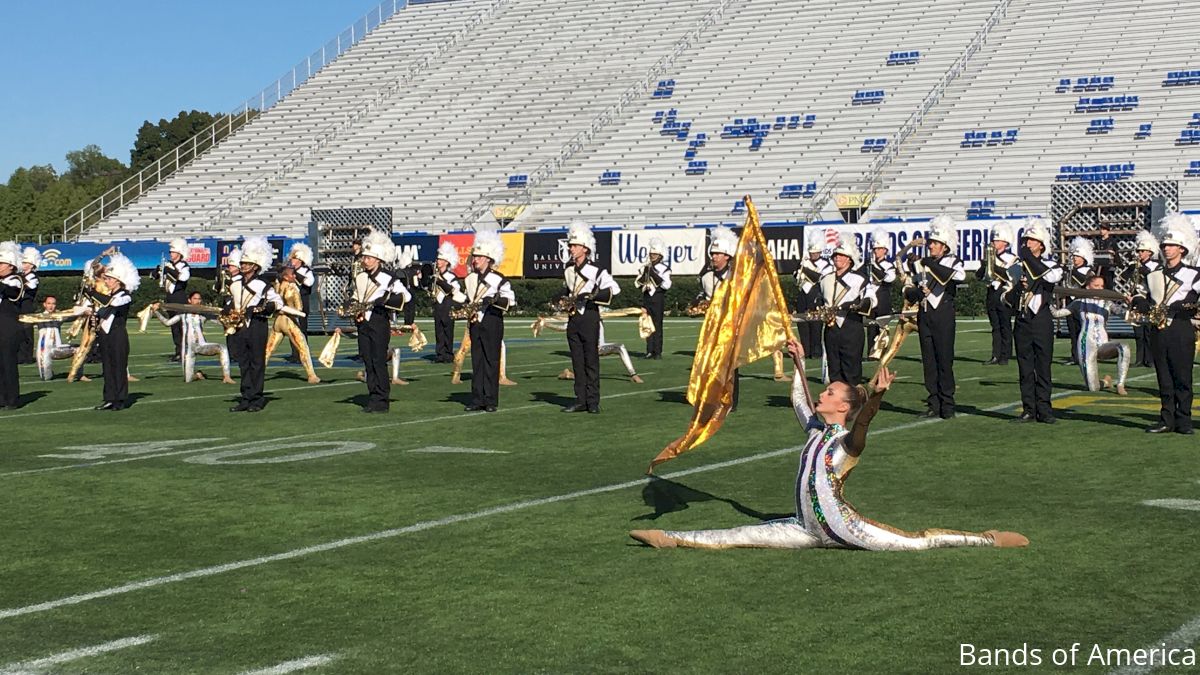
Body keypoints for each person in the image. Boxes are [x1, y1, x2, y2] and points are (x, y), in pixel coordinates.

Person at [628, 338, 1028, 551]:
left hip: (845, 528)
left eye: (831, 391)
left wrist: (876, 397)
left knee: (916, 542)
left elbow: (865, 422)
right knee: (739, 534)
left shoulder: (846, 443)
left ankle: (984, 538)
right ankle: (671, 538)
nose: (823, 393)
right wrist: (799, 358)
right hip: (803, 529)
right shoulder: (815, 432)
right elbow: (799, 399)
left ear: (843, 406)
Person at [1144, 215, 1200, 435]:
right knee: (1164, 377)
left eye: (1172, 246)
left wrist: (1180, 305)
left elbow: (1194, 300)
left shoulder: (1194, 274)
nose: (1167, 249)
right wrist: (1140, 301)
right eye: (1165, 246)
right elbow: (1145, 296)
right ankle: (1166, 419)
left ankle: (1184, 420)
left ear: (1182, 249)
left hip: (1180, 327)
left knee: (1182, 376)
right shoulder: (1154, 274)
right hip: (1159, 328)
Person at [560, 221, 620, 414]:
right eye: (570, 245)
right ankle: (580, 400)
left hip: (590, 318)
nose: (571, 248)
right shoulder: (569, 270)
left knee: (591, 361)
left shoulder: (596, 271)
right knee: (577, 361)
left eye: (575, 246)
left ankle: (593, 401)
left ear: (585, 248)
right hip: (573, 319)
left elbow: (614, 289)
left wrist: (593, 296)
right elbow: (568, 290)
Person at [910, 216, 965, 419]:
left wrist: (929, 265)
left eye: (934, 243)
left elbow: (958, 277)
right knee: (929, 361)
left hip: (943, 313)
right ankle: (933, 402)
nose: (930, 246)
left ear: (944, 245)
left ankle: (948, 404)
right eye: (931, 242)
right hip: (925, 314)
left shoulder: (953, 261)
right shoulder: (925, 263)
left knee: (944, 359)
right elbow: (915, 286)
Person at [1010, 218, 1063, 424]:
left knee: (1043, 366)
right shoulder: (1018, 265)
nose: (1027, 243)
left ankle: (1045, 409)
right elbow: (1008, 296)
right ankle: (1028, 408)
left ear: (1041, 243)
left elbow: (1050, 278)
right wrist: (1017, 287)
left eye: (1031, 240)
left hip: (1041, 318)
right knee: (1024, 367)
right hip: (1023, 319)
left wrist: (1028, 261)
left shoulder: (1051, 264)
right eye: (1025, 240)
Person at [350, 232, 409, 413]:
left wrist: (385, 301)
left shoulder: (388, 278)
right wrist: (352, 307)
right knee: (368, 361)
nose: (365, 260)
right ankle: (372, 397)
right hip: (363, 322)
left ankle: (382, 400)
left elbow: (406, 296)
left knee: (378, 360)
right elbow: (356, 296)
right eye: (364, 257)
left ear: (378, 259)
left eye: (368, 258)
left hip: (378, 320)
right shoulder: (360, 277)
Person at [226, 237, 284, 413]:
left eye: (247, 263)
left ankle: (257, 398)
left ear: (255, 266)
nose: (243, 266)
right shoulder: (236, 283)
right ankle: (246, 396)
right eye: (242, 263)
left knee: (257, 362)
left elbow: (277, 303)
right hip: (240, 326)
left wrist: (261, 308)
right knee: (243, 362)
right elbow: (232, 302)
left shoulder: (262, 284)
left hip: (257, 325)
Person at [460, 229, 515, 412]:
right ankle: (477, 399)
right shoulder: (470, 278)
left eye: (479, 257)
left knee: (491, 361)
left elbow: (511, 301)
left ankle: (491, 400)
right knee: (477, 361)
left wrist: (494, 300)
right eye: (474, 256)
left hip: (492, 321)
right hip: (475, 323)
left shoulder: (498, 279)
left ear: (488, 259)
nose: (475, 259)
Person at [76, 252, 139, 411]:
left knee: (119, 367)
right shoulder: (107, 296)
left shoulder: (125, 296)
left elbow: (112, 303)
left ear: (118, 281)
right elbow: (100, 309)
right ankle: (109, 398)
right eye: (107, 278)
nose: (107, 281)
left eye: (109, 279)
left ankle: (120, 399)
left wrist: (92, 293)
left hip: (118, 335)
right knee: (107, 368)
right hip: (104, 335)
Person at [1052, 273, 1129, 395]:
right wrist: (1047, 302)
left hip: (1103, 343)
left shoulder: (1107, 303)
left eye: (1101, 286)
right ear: (1088, 287)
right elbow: (1057, 314)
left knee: (1124, 347)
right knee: (1093, 388)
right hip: (1086, 344)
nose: (1099, 289)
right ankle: (1106, 381)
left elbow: (1124, 314)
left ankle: (1120, 384)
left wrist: (1131, 303)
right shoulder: (1079, 302)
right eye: (1096, 286)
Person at [818, 233, 873, 385]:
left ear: (849, 259)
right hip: (831, 328)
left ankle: (854, 405)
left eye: (841, 256)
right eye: (835, 255)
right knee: (834, 370)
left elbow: (870, 299)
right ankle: (837, 404)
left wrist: (856, 305)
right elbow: (820, 298)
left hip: (851, 326)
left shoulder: (859, 279)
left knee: (852, 370)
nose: (837, 258)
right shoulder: (825, 278)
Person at [698, 226, 741, 409]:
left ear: (727, 256)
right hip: (712, 326)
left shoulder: (736, 277)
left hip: (731, 326)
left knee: (730, 367)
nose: (714, 257)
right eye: (713, 253)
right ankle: (714, 398)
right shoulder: (707, 277)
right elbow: (703, 295)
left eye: (718, 254)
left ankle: (730, 400)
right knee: (712, 364)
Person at [152, 291, 234, 384]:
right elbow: (167, 323)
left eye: (199, 299)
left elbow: (220, 322)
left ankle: (226, 376)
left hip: (201, 345)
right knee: (188, 379)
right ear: (189, 300)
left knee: (222, 348)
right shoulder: (182, 314)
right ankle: (198, 375)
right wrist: (156, 312)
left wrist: (229, 319)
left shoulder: (203, 314)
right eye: (195, 299)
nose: (197, 301)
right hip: (188, 349)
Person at [540, 316, 644, 384]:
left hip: (600, 347)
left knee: (620, 347)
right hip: (588, 350)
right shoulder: (578, 317)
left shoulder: (597, 313)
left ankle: (633, 374)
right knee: (587, 377)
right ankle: (568, 374)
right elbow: (563, 328)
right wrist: (546, 324)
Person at [265, 265, 321, 384]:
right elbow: (299, 307)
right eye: (292, 274)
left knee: (268, 349)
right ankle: (311, 375)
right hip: (289, 321)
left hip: (277, 321)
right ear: (286, 277)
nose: (295, 276)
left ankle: (257, 373)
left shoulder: (277, 286)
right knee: (303, 348)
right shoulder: (292, 287)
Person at [975, 223, 1018, 365]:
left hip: (1004, 292)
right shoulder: (989, 256)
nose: (993, 242)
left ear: (1005, 242)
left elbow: (1009, 276)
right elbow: (979, 276)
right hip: (991, 292)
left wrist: (993, 265)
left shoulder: (1012, 258)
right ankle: (995, 354)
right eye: (993, 240)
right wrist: (984, 264)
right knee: (995, 326)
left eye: (997, 240)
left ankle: (1005, 355)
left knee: (1005, 325)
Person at [1120, 231, 1162, 367]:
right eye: (1138, 251)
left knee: (1149, 330)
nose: (1139, 253)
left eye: (1142, 251)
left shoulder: (1156, 266)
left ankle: (1150, 359)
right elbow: (1123, 278)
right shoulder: (1135, 265)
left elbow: (1156, 282)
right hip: (1136, 298)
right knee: (1138, 331)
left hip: (1149, 299)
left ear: (1149, 252)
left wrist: (1143, 270)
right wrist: (1130, 269)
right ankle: (1139, 359)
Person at [154, 238, 192, 361]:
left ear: (179, 253)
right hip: (170, 297)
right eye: (170, 252)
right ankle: (178, 351)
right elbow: (154, 276)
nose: (171, 254)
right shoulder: (168, 264)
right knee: (174, 327)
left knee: (182, 326)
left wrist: (168, 270)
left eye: (173, 252)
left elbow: (183, 278)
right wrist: (157, 271)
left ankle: (185, 351)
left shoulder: (183, 265)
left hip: (179, 297)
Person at [794, 236, 830, 359]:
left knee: (816, 325)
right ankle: (805, 350)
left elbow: (820, 277)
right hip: (803, 295)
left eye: (815, 252)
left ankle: (816, 351)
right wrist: (800, 271)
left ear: (820, 252)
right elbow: (796, 276)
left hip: (816, 295)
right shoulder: (804, 262)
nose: (813, 254)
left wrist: (805, 271)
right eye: (811, 252)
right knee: (802, 324)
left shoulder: (826, 264)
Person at [27, 295, 78, 381]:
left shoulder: (59, 316)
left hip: (57, 349)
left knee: (81, 349)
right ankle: (49, 371)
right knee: (46, 378)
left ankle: (77, 373)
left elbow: (73, 316)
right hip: (44, 350)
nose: (51, 306)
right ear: (44, 304)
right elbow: (25, 321)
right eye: (49, 303)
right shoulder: (39, 316)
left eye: (53, 304)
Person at [0, 242, 26, 409]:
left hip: (9, 326)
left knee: (8, 363)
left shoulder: (16, 280)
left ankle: (13, 399)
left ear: (10, 266)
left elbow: (12, 293)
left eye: (1, 264)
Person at [637, 237, 672, 359]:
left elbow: (667, 285)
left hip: (657, 298)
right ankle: (649, 351)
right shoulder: (645, 267)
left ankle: (657, 351)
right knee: (647, 324)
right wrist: (644, 280)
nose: (652, 256)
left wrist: (653, 274)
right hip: (646, 298)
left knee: (657, 325)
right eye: (651, 254)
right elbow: (637, 283)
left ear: (660, 255)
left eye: (655, 254)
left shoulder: (664, 269)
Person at [864, 229, 896, 360]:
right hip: (871, 298)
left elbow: (889, 278)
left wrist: (873, 267)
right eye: (875, 249)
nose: (876, 251)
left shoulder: (888, 265)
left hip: (883, 299)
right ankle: (871, 352)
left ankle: (882, 352)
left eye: (879, 249)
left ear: (885, 250)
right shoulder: (868, 264)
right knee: (871, 326)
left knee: (883, 327)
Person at [1063, 237, 1094, 366]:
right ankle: (1075, 355)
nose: (1074, 258)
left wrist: (1071, 271)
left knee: (1083, 331)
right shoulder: (1071, 271)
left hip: (1082, 304)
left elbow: (1083, 282)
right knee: (1073, 331)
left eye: (1077, 256)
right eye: (1073, 256)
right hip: (1071, 303)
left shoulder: (1088, 271)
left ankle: (1085, 355)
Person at [431, 241, 462, 363]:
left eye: (440, 259)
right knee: (438, 331)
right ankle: (439, 354)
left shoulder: (451, 276)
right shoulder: (435, 275)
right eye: (438, 259)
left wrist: (441, 281)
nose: (438, 262)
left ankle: (448, 354)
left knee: (448, 330)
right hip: (438, 306)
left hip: (448, 305)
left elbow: (454, 290)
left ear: (446, 262)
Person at [285, 243, 316, 363]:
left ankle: (303, 353)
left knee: (301, 329)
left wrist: (295, 274)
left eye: (295, 259)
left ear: (300, 260)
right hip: (290, 301)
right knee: (291, 328)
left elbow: (309, 283)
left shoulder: (307, 271)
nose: (292, 260)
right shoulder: (288, 271)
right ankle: (294, 353)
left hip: (302, 302)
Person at [16, 247, 40, 364]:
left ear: (31, 265)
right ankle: (20, 355)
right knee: (18, 332)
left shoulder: (33, 277)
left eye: (25, 263)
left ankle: (27, 356)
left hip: (27, 306)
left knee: (27, 332)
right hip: (18, 306)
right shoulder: (19, 275)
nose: (23, 264)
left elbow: (30, 286)